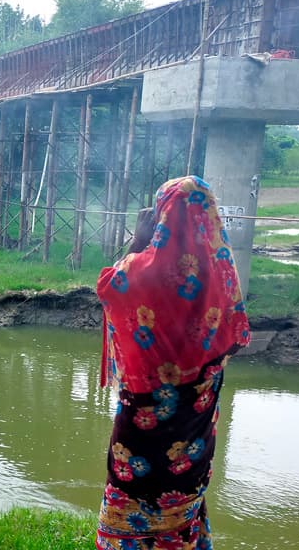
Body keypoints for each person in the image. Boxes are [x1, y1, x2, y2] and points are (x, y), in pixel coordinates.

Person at [94, 176, 250, 550]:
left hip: (142, 434)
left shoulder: (142, 271)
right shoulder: (222, 272)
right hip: (193, 436)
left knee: (131, 510)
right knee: (181, 507)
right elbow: (238, 338)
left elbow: (109, 287)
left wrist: (141, 239)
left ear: (161, 213)